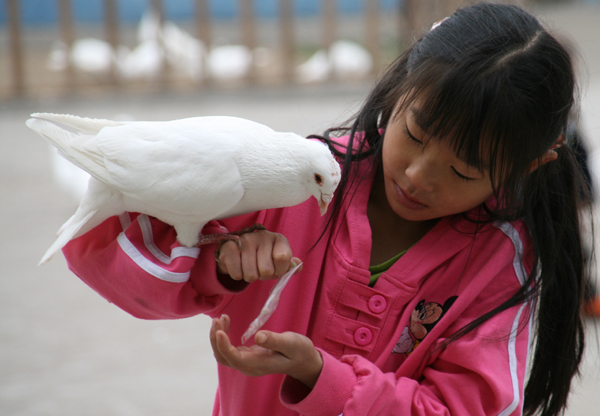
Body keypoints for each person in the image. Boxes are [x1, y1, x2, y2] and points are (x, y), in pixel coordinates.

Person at [62, 3, 588, 416]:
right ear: (404, 78)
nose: (417, 176)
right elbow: (103, 255)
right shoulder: (291, 182)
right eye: (416, 134)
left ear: (532, 163)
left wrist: (324, 379)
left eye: (463, 172)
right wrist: (219, 263)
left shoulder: (499, 265)